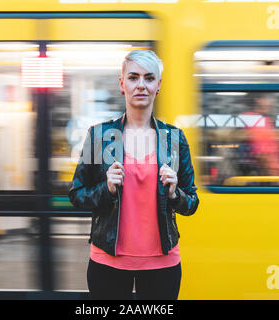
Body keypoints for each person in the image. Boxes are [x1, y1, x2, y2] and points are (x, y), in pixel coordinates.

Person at [68, 50, 199, 300]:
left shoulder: (173, 139)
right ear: (122, 84)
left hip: (163, 264)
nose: (141, 85)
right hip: (108, 262)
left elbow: (192, 203)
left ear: (158, 86)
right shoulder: (100, 137)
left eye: (149, 78)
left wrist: (175, 193)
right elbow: (76, 195)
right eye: (133, 77)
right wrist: (106, 189)